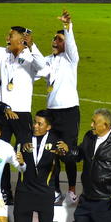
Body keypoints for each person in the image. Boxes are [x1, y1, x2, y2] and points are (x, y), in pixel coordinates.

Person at [0, 8, 45, 203]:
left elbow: (44, 69)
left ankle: (27, 190)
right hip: (2, 112)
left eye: (11, 35)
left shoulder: (31, 58)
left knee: (26, 152)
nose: (7, 38)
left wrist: (33, 47)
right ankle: (3, 190)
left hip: (21, 114)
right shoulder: (2, 54)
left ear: (21, 39)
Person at [12, 110, 72, 222]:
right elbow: (15, 158)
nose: (35, 126)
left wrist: (65, 151)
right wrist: (19, 156)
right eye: (35, 122)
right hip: (24, 188)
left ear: (48, 127)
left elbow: (69, 159)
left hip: (45, 190)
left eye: (40, 124)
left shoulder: (55, 141)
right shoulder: (24, 138)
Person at [38, 10, 80, 200]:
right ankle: (54, 190)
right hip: (51, 114)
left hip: (69, 112)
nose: (55, 41)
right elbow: (38, 69)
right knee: (52, 152)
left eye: (59, 39)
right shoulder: (48, 60)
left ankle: (71, 190)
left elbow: (71, 46)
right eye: (54, 39)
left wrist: (67, 27)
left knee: (68, 153)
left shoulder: (71, 59)